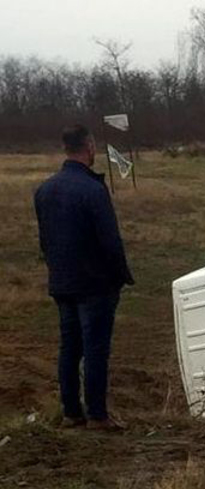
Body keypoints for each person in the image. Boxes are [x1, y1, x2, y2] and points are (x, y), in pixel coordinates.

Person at [34, 124, 134, 430]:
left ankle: (71, 412)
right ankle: (98, 415)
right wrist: (120, 276)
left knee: (69, 348)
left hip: (63, 282)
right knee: (95, 350)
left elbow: (44, 241)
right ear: (89, 147)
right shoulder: (93, 190)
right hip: (95, 285)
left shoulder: (44, 190)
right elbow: (110, 241)